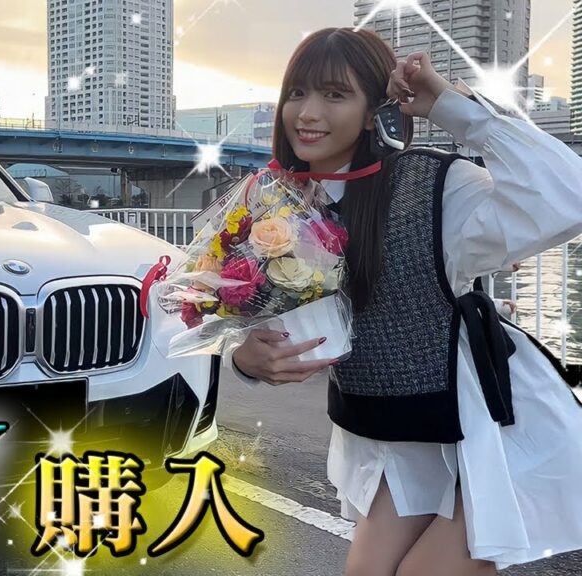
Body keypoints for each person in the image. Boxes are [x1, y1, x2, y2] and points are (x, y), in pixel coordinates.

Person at [227, 28, 582, 575]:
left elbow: (568, 197)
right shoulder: (275, 204)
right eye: (297, 93)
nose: (308, 113)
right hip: (398, 433)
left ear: (376, 112)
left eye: (335, 94)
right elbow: (229, 312)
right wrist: (245, 361)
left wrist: (451, 108)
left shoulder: (435, 187)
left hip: (496, 431)